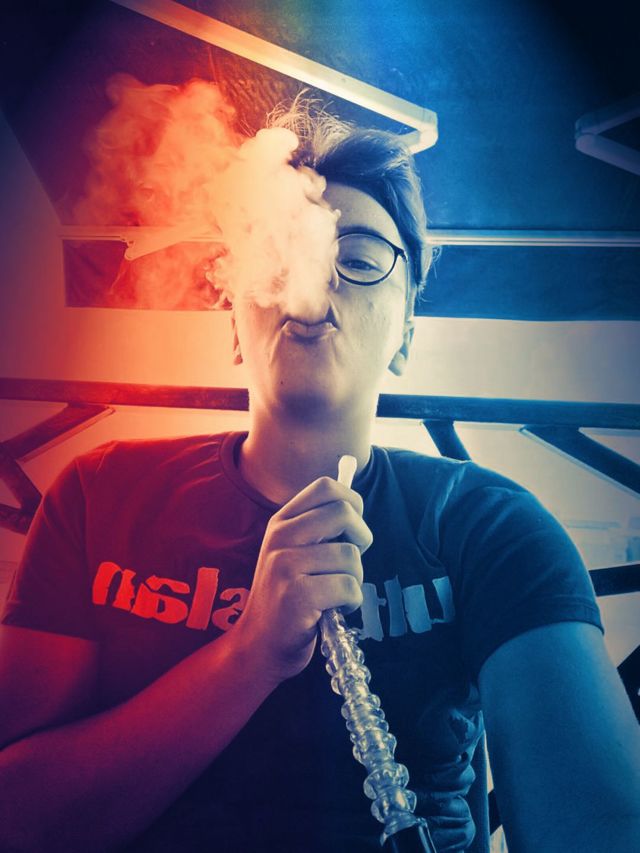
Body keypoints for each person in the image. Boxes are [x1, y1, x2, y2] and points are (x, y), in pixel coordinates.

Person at [1, 105, 639, 853]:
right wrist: (251, 653)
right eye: (282, 250)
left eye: (360, 257)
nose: (317, 277)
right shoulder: (99, 494)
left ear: (404, 334)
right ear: (233, 319)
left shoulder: (488, 526)